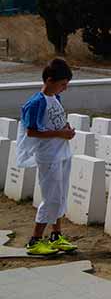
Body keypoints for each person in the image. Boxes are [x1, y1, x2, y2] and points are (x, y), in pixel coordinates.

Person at [16, 58, 78, 256]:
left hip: (62, 152)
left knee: (60, 195)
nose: (65, 88)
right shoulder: (35, 103)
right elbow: (32, 131)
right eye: (62, 84)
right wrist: (60, 134)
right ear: (50, 80)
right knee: (50, 197)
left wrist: (66, 129)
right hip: (49, 155)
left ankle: (56, 235)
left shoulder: (55, 99)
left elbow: (56, 122)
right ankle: (35, 241)